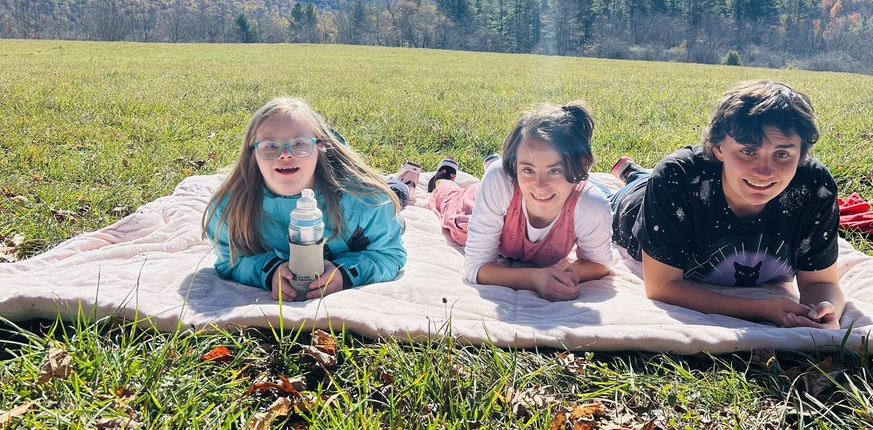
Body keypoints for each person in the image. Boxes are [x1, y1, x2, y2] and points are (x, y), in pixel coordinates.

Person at [611, 80, 845, 329]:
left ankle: (635, 172)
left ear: (801, 154)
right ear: (719, 147)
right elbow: (662, 286)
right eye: (748, 151)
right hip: (636, 203)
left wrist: (822, 311)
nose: (764, 171)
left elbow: (821, 283)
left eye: (782, 154)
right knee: (632, 189)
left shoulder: (815, 187)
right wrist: (763, 310)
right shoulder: (675, 177)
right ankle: (632, 175)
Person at [202, 97, 407, 301]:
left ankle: (407, 178)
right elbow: (229, 261)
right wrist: (268, 272)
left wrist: (344, 274)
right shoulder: (229, 207)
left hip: (373, 191)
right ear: (252, 153)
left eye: (299, 143)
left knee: (399, 193)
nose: (285, 154)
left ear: (320, 146)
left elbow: (389, 254)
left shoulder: (367, 200)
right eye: (270, 146)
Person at [428, 102, 620, 301]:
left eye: (554, 170)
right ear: (514, 164)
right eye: (528, 169)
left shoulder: (591, 205)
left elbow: (600, 264)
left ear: (582, 166)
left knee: (496, 179)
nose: (539, 185)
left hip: (500, 189)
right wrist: (534, 279)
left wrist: (572, 272)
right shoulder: (501, 183)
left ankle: (494, 164)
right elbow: (475, 268)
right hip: (476, 204)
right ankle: (443, 179)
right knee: (451, 201)